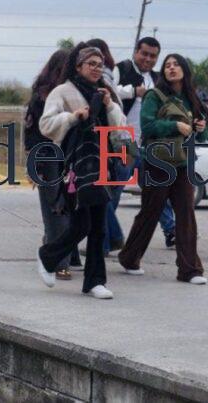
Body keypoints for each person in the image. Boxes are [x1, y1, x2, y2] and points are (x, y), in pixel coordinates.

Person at [36, 44, 125, 299]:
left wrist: (109, 106)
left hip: (101, 163)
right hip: (74, 165)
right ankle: (48, 256)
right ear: (78, 66)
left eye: (100, 65)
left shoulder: (105, 92)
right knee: (81, 223)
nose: (97, 69)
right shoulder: (62, 91)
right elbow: (46, 125)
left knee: (98, 225)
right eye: (91, 64)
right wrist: (73, 116)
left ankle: (95, 281)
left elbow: (119, 129)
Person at [118, 54, 208, 285]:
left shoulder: (191, 98)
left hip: (182, 162)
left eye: (176, 64)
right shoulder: (154, 96)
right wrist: (174, 125)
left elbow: (202, 135)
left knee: (186, 213)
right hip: (157, 162)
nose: (171, 68)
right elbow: (148, 126)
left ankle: (190, 270)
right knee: (151, 211)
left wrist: (201, 127)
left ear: (185, 70)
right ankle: (129, 257)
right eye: (167, 65)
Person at [107, 37, 176, 248]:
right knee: (115, 191)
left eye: (153, 56)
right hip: (124, 142)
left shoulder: (158, 78)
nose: (147, 59)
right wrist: (132, 91)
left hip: (150, 144)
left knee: (157, 189)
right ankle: (106, 237)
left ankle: (171, 230)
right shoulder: (121, 69)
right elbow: (107, 91)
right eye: (144, 53)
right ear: (136, 51)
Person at [25, 49, 82, 280]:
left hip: (73, 157)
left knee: (72, 207)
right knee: (56, 209)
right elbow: (33, 131)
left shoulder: (75, 93)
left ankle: (63, 251)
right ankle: (59, 261)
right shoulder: (43, 95)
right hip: (49, 157)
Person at [87, 38, 126, 254]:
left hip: (109, 147)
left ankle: (112, 239)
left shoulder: (104, 81)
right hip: (120, 146)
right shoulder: (111, 75)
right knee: (105, 198)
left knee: (103, 198)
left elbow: (115, 118)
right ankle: (107, 242)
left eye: (96, 62)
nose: (94, 68)